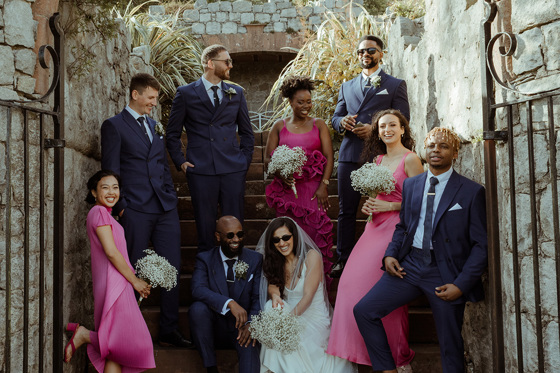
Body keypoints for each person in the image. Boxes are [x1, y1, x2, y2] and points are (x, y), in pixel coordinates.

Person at [353, 128, 488, 373]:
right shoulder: (412, 185)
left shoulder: (471, 191)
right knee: (364, 310)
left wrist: (461, 284)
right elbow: (404, 226)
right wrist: (391, 254)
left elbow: (481, 245)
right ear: (424, 152)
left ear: (455, 153)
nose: (436, 150)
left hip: (444, 273)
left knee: (450, 345)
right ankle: (387, 369)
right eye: (432, 145)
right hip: (410, 265)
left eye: (444, 146)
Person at [327, 109, 424, 372]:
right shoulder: (378, 159)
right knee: (348, 285)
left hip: (396, 230)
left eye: (393, 125)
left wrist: (390, 207)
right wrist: (371, 205)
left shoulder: (412, 160)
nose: (387, 130)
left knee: (381, 290)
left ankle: (394, 353)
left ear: (403, 129)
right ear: (377, 132)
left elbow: (422, 203)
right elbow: (376, 196)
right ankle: (358, 349)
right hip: (373, 228)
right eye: (382, 126)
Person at [101, 73, 190, 348]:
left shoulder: (154, 125)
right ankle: (129, 329)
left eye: (155, 98)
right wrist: (122, 208)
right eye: (150, 97)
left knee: (173, 267)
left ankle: (168, 330)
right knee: (132, 268)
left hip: (164, 208)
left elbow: (162, 165)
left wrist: (169, 195)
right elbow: (111, 170)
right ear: (135, 95)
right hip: (135, 208)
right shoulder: (113, 126)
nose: (154, 103)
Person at [330, 35, 410, 278]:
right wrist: (341, 121)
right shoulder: (347, 86)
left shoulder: (395, 84)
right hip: (350, 154)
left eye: (371, 50)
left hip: (381, 154)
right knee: (346, 210)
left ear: (381, 54)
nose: (366, 54)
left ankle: (384, 254)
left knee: (381, 206)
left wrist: (373, 130)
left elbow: (403, 118)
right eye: (361, 51)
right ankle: (343, 260)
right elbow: (334, 118)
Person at [63, 170, 155, 372]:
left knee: (115, 352)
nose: (112, 192)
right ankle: (85, 335)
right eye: (105, 187)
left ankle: (86, 335)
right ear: (94, 192)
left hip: (117, 281)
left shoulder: (107, 214)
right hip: (115, 284)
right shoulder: (98, 212)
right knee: (130, 343)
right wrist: (135, 281)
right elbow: (111, 253)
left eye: (115, 187)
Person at [166, 44, 254, 252]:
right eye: (226, 61)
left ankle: (236, 274)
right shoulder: (186, 93)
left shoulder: (237, 93)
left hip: (233, 169)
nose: (230, 65)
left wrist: (244, 161)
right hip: (201, 170)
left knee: (234, 227)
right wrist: (180, 161)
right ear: (210, 63)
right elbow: (172, 133)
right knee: (205, 227)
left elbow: (247, 133)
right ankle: (207, 274)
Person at [256, 217, 356, 373]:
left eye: (286, 237)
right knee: (272, 306)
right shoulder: (277, 262)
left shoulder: (312, 257)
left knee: (282, 336)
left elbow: (308, 297)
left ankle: (270, 371)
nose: (282, 243)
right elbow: (273, 284)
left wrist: (286, 324)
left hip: (313, 316)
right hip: (291, 312)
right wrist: (275, 296)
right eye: (276, 240)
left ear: (294, 236)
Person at [265, 75, 334, 283]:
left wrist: (324, 185)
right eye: (300, 102)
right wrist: (280, 173)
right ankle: (289, 287)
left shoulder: (319, 124)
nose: (306, 106)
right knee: (287, 240)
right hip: (287, 193)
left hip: (313, 192)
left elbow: (330, 157)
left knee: (313, 237)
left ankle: (314, 288)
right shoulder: (279, 126)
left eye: (309, 101)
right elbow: (270, 159)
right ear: (290, 102)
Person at [189, 216, 262, 373]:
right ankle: (211, 368)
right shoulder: (205, 259)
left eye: (240, 234)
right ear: (218, 236)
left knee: (250, 344)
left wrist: (251, 323)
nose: (236, 239)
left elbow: (258, 297)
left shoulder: (255, 259)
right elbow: (197, 289)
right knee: (197, 309)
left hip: (242, 327)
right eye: (230, 235)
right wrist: (229, 303)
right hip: (214, 328)